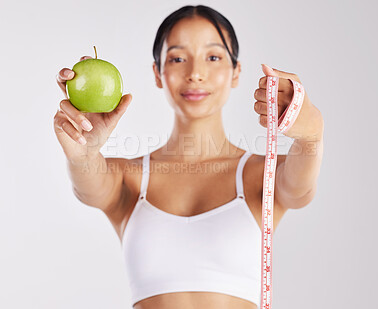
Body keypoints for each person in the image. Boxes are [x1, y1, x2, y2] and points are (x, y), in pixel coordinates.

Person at [53, 5, 324, 309]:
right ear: (158, 72)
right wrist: (84, 150)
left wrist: (311, 130)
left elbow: (301, 189)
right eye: (178, 58)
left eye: (213, 57)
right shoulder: (127, 179)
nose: (195, 73)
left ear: (236, 71)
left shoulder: (263, 176)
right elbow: (87, 182)